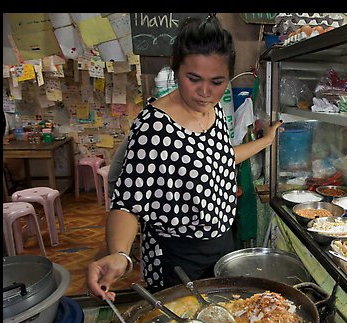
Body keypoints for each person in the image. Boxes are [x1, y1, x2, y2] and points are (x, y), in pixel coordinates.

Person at [86, 14, 282, 300]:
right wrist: (119, 254)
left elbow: (220, 158)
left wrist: (266, 141)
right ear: (176, 68)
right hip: (177, 257)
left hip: (222, 245)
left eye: (217, 81)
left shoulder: (213, 113)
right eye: (193, 79)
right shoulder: (154, 126)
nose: (205, 92)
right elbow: (128, 203)